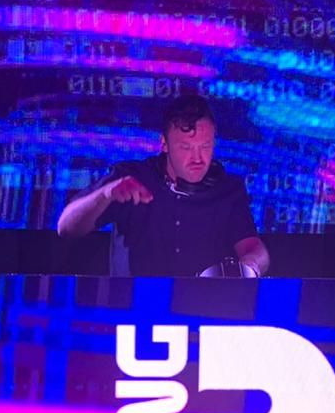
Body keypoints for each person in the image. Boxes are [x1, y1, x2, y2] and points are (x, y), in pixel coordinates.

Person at [57, 94, 271, 278]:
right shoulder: (132, 178)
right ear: (164, 144)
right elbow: (66, 227)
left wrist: (249, 267)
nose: (198, 158)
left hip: (205, 307)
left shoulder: (228, 189)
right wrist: (105, 195)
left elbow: (253, 248)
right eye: (186, 147)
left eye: (205, 146)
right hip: (135, 307)